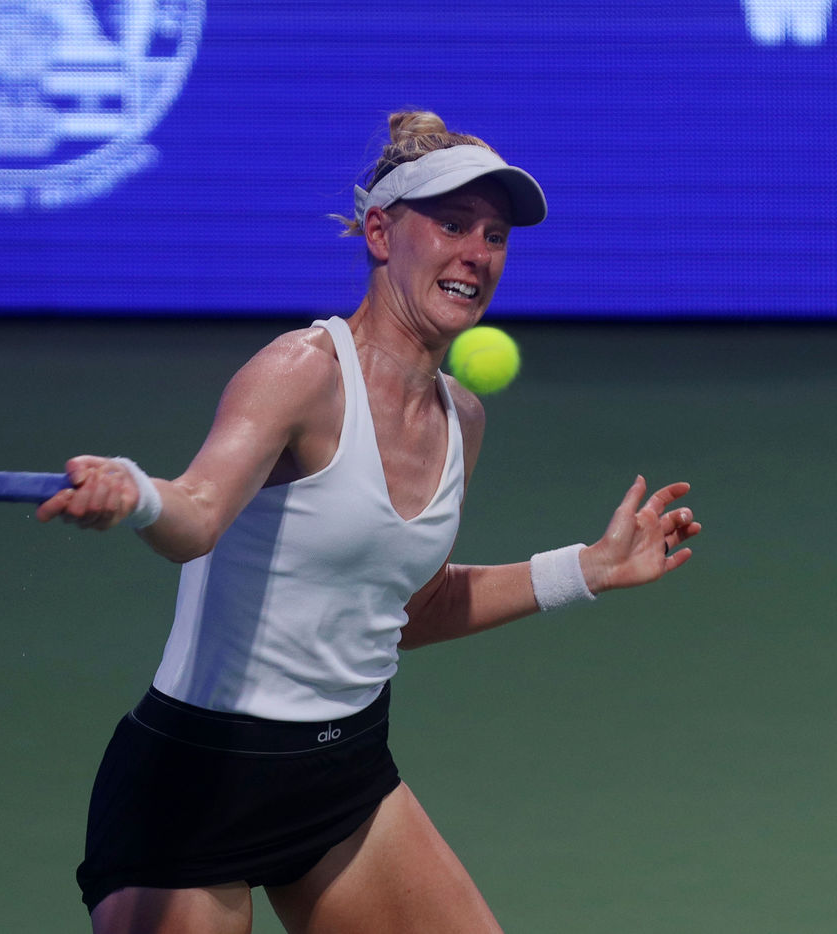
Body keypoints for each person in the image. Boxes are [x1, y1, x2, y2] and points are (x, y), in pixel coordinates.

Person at [34, 110, 702, 934]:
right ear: (381, 233)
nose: (478, 253)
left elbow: (411, 609)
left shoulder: (462, 417)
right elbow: (197, 515)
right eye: (452, 225)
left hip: (343, 780)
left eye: (494, 235)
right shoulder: (300, 372)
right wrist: (138, 494)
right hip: (195, 784)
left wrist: (587, 569)